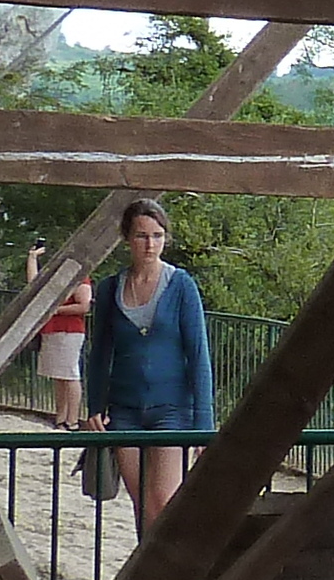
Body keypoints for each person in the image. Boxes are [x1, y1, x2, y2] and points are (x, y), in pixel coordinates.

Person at [78, 199, 212, 524]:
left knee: (163, 503)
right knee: (141, 506)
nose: (150, 244)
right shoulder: (111, 289)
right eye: (141, 236)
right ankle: (146, 573)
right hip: (124, 411)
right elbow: (100, 353)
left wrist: (204, 425)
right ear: (127, 238)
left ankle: (168, 574)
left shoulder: (181, 286)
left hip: (173, 411)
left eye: (157, 235)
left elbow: (198, 355)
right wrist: (95, 406)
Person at [32, 253, 93, 429]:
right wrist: (32, 259)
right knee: (58, 376)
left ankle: (72, 420)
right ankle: (60, 417)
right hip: (53, 329)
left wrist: (56, 310)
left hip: (70, 330)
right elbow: (34, 285)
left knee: (70, 374)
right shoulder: (55, 279)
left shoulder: (80, 278)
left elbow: (84, 305)